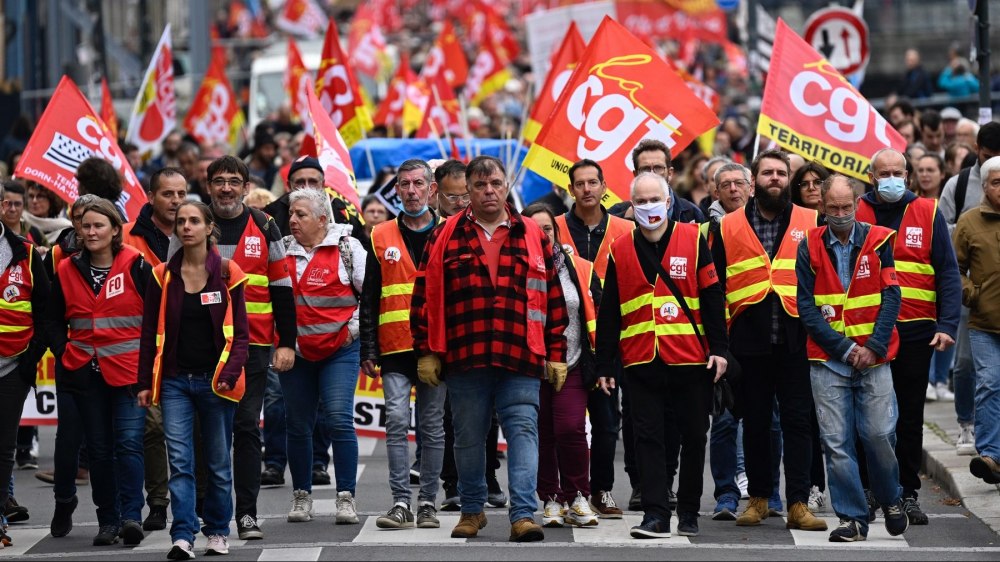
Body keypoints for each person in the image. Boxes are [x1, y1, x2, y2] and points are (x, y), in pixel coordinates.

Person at [410, 155, 568, 542]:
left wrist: (557, 352)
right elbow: (424, 295)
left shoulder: (532, 232)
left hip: (522, 353)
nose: (488, 191)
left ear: (506, 185)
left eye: (495, 183)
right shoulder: (445, 234)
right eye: (479, 186)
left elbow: (553, 296)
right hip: (466, 355)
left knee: (523, 432)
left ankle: (523, 515)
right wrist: (427, 349)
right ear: (468, 191)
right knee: (468, 437)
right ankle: (472, 509)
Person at [597, 172, 728, 539]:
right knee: (647, 440)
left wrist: (720, 350)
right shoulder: (620, 248)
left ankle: (688, 510)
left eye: (655, 199)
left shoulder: (694, 238)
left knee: (693, 437)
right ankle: (655, 514)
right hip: (640, 360)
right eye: (641, 201)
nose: (649, 206)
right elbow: (610, 310)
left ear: (669, 202)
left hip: (690, 358)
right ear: (631, 205)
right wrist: (605, 363)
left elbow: (713, 296)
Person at [711, 149, 826, 532]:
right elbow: (716, 288)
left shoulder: (812, 219)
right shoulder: (726, 226)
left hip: (797, 338)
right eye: (767, 173)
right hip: (748, 340)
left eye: (780, 173)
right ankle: (758, 499)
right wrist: (722, 344)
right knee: (755, 422)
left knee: (797, 423)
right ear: (753, 181)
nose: (774, 178)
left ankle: (797, 502)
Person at [796, 174, 910, 542]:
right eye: (834, 208)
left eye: (847, 207)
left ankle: (891, 497)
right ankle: (852, 518)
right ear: (822, 207)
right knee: (836, 441)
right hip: (828, 361)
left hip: (875, 358)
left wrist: (873, 346)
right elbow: (806, 307)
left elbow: (892, 296)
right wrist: (844, 348)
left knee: (878, 434)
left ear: (858, 204)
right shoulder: (809, 246)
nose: (841, 214)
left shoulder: (880, 241)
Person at [137, 201, 249, 559]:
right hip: (174, 383)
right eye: (181, 221)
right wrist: (144, 381)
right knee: (181, 462)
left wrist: (230, 374)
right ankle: (182, 535)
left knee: (217, 462)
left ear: (208, 228)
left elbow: (242, 336)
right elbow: (148, 333)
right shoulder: (161, 275)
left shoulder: (229, 272)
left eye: (194, 221)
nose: (186, 226)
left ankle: (217, 531)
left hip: (217, 383)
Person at [855, 148, 962, 524]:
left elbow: (947, 272)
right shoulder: (854, 212)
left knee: (908, 416)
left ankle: (906, 493)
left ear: (908, 175)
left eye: (897, 172)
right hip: (867, 333)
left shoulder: (928, 212)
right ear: (871, 177)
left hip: (917, 330)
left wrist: (947, 325)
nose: (891, 179)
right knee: (868, 417)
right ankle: (868, 490)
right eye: (883, 173)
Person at [45, 198, 151, 546]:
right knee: (100, 450)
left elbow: (154, 320)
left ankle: (132, 516)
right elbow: (53, 318)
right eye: (85, 226)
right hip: (84, 374)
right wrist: (63, 351)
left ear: (115, 230)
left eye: (98, 226)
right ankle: (108, 520)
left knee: (129, 445)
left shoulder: (137, 265)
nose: (91, 232)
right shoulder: (66, 269)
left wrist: (148, 371)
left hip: (128, 374)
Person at [204, 155, 297, 540]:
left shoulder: (265, 225)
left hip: (253, 348)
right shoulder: (194, 222)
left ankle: (246, 515)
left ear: (246, 187)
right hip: (202, 349)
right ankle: (205, 515)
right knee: (205, 434)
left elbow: (282, 287)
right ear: (209, 186)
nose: (226, 187)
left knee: (245, 429)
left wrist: (287, 342)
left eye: (234, 181)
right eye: (219, 180)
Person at [360, 159, 447, 530]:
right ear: (396, 189)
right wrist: (367, 348)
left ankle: (427, 501)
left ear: (432, 190)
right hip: (394, 347)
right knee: (396, 421)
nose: (410, 191)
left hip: (436, 347)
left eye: (417, 184)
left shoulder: (450, 232)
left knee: (432, 427)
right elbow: (370, 295)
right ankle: (400, 502)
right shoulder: (379, 235)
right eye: (404, 184)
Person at [280, 188, 366, 525]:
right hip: (296, 354)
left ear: (321, 218)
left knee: (338, 418)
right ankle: (302, 496)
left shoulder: (348, 247)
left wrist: (351, 331)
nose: (293, 220)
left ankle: (346, 497)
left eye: (301, 214)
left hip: (340, 352)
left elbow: (368, 296)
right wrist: (282, 343)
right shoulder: (280, 251)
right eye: (291, 213)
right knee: (298, 425)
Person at [553, 159, 631, 518]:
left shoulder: (624, 229)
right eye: (579, 184)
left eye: (592, 183)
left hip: (607, 341)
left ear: (603, 187)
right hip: (564, 338)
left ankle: (602, 490)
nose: (586, 189)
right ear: (571, 190)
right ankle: (559, 490)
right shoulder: (553, 228)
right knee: (561, 422)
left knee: (605, 420)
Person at [522, 203, 600, 529]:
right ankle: (551, 499)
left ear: (557, 232)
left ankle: (579, 496)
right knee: (543, 433)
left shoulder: (580, 267)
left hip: (573, 361)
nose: (543, 235)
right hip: (531, 364)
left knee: (570, 428)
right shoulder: (518, 267)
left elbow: (596, 313)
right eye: (536, 229)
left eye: (549, 229)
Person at [120, 167, 188, 532]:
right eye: (168, 194)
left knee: (193, 432)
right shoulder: (129, 237)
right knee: (152, 428)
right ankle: (158, 502)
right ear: (151, 197)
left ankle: (197, 503)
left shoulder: (197, 227)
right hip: (146, 345)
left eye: (181, 194)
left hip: (190, 346)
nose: (176, 202)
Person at [940, 122, 1000, 456]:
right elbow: (942, 227)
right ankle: (968, 426)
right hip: (974, 300)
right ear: (978, 150)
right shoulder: (959, 185)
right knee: (966, 366)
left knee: (993, 381)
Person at [0, 180, 50, 549]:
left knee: (3, 448)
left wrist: (27, 360)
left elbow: (47, 315)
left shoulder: (26, 253)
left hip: (11, 369)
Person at [953, 156, 1000, 484]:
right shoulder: (969, 222)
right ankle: (990, 455)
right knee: (990, 383)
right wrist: (973, 293)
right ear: (984, 187)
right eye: (996, 182)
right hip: (984, 322)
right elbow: (953, 270)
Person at [631, 139, 706, 224]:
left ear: (670, 173)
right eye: (645, 169)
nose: (652, 174)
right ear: (636, 174)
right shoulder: (620, 215)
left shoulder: (692, 213)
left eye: (658, 168)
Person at [1, 181, 46, 248]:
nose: (13, 209)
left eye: (17, 204)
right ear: (2, 205)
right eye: (9, 204)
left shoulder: (35, 233)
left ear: (24, 206)